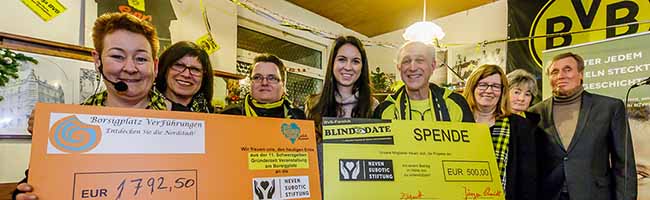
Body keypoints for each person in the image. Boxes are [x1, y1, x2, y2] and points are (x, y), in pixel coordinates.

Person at [14, 12, 167, 200]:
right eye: (118, 56)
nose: (130, 67)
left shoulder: (185, 121)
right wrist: (23, 196)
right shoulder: (69, 125)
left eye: (141, 59)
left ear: (155, 65)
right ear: (97, 60)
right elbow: (36, 183)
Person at [529, 52, 637, 200]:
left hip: (594, 194)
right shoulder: (535, 113)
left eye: (567, 69)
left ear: (581, 74)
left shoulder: (609, 107)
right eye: (555, 72)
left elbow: (624, 163)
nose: (561, 75)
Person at [462, 64, 537, 200]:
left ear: (503, 91)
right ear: (472, 87)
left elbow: (527, 178)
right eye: (483, 85)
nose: (489, 90)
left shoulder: (520, 126)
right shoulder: (456, 120)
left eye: (496, 86)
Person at [373, 41, 473, 122]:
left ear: (433, 66)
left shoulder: (456, 103)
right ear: (399, 67)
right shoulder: (384, 110)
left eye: (420, 60)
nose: (412, 68)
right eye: (406, 61)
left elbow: (472, 145)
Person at [306, 36, 379, 139]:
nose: (348, 67)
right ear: (332, 63)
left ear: (362, 67)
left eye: (355, 61)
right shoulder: (313, 106)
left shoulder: (373, 107)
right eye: (342, 59)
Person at [220, 54, 305, 119]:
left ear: (283, 84)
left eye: (272, 78)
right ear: (250, 82)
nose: (264, 82)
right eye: (257, 77)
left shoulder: (298, 117)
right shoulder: (229, 115)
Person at [155, 41, 214, 112]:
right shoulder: (145, 108)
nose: (186, 75)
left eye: (195, 69)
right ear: (165, 69)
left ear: (204, 76)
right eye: (179, 66)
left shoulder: (211, 114)